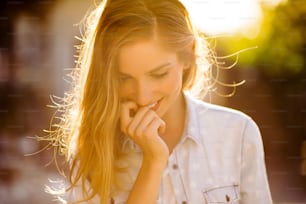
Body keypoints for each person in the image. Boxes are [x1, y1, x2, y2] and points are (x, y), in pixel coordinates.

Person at [48, 0, 273, 203]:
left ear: (187, 55)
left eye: (158, 74)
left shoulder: (237, 133)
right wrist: (153, 163)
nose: (143, 97)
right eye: (124, 78)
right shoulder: (94, 150)